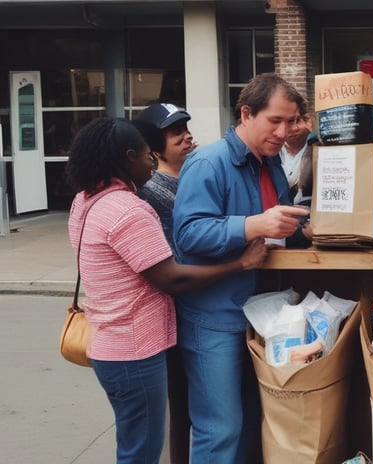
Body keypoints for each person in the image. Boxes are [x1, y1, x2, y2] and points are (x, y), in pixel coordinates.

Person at [64, 117, 268, 464]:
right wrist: (240, 265)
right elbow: (172, 278)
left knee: (135, 442)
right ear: (129, 156)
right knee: (141, 449)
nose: (152, 164)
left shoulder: (85, 200)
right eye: (147, 156)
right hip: (134, 351)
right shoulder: (128, 209)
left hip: (109, 345)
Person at [172, 73, 312, 464]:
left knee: (252, 418)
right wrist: (253, 224)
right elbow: (188, 234)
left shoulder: (267, 164)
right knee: (220, 427)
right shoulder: (208, 161)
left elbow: (280, 227)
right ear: (246, 113)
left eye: (292, 121)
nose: (285, 131)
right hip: (214, 317)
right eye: (275, 121)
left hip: (262, 314)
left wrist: (308, 229)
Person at [133, 102, 196, 464]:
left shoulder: (197, 176)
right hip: (176, 309)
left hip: (198, 301)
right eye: (176, 134)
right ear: (155, 149)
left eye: (186, 129)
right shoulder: (152, 194)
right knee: (181, 402)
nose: (187, 137)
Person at [279, 106, 314, 208]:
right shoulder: (270, 151)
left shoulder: (317, 150)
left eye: (300, 120)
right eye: (290, 121)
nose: (295, 128)